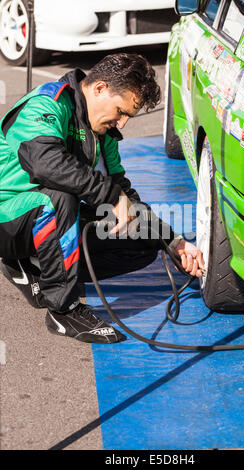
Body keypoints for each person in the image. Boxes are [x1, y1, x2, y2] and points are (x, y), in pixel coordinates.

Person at [0, 53, 205, 344]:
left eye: (128, 117)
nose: (121, 124)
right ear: (99, 89)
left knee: (138, 237)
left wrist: (174, 242)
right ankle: (62, 310)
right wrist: (111, 195)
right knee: (57, 199)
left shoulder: (103, 132)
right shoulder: (48, 104)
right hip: (6, 215)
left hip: (40, 217)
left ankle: (34, 265)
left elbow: (123, 194)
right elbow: (46, 163)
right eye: (121, 112)